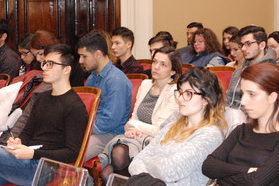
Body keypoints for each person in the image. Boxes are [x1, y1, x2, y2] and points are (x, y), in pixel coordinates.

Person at [0, 44, 88, 185]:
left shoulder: (75, 106)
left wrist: (33, 154)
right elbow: (27, 132)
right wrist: (18, 142)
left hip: (45, 168)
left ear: (66, 69)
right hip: (24, 160)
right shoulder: (41, 97)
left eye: (50, 64)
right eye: (44, 63)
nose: (44, 68)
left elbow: (71, 153)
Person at [202, 63, 279, 185]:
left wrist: (222, 177)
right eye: (243, 94)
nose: (243, 101)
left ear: (272, 97)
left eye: (252, 94)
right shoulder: (241, 130)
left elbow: (256, 181)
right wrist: (248, 170)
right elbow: (208, 166)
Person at [128, 67, 227, 186]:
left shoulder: (210, 134)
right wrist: (150, 176)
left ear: (206, 99)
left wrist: (149, 165)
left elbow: (170, 171)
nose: (180, 99)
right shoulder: (172, 126)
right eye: (180, 92)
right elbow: (136, 162)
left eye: (188, 94)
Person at [99, 46, 182, 183]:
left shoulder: (175, 92)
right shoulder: (145, 84)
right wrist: (131, 129)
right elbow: (133, 119)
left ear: (173, 70)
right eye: (154, 62)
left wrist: (134, 126)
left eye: (163, 64)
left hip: (155, 142)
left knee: (113, 165)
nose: (156, 67)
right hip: (135, 138)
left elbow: (159, 129)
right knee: (108, 171)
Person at [77, 32, 132, 161]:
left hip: (108, 134)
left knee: (73, 153)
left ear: (97, 54)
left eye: (84, 56)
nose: (80, 61)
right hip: (92, 129)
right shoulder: (93, 77)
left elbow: (110, 121)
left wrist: (83, 129)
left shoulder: (116, 81)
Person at [226, 25, 276, 110]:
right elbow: (228, 99)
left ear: (262, 45)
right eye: (242, 45)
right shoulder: (238, 72)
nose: (244, 49)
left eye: (248, 44)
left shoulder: (272, 73)